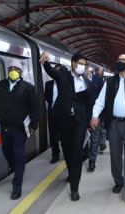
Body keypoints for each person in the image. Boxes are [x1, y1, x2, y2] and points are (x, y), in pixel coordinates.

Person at [91, 54, 125, 208]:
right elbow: (101, 100)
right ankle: (118, 181)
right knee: (115, 156)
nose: (120, 62)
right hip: (114, 124)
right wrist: (95, 115)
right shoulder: (110, 81)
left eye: (124, 60)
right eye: (119, 60)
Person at [39, 51, 91, 201]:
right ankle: (71, 172)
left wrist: (88, 122)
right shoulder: (63, 76)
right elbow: (50, 71)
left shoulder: (85, 81)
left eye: (84, 64)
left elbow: (88, 103)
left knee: (76, 154)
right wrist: (46, 61)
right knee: (67, 152)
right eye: (80, 63)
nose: (82, 66)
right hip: (65, 122)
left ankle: (74, 188)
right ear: (73, 63)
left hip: (80, 123)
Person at [0, 61, 39, 200]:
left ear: (21, 72)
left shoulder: (28, 88)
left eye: (16, 69)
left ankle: (17, 186)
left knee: (19, 154)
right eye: (11, 68)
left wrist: (33, 125)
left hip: (20, 129)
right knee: (6, 151)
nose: (13, 71)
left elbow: (35, 107)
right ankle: (16, 168)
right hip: (4, 127)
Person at [88, 67, 107, 172]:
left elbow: (101, 99)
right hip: (81, 114)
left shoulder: (99, 80)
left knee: (94, 138)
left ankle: (92, 161)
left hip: (95, 114)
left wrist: (99, 114)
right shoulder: (76, 79)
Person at [45, 64, 62, 164]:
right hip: (52, 114)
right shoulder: (48, 84)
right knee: (53, 136)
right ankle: (55, 155)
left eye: (59, 71)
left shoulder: (66, 84)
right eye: (55, 71)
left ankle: (67, 154)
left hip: (64, 115)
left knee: (65, 136)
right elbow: (47, 97)